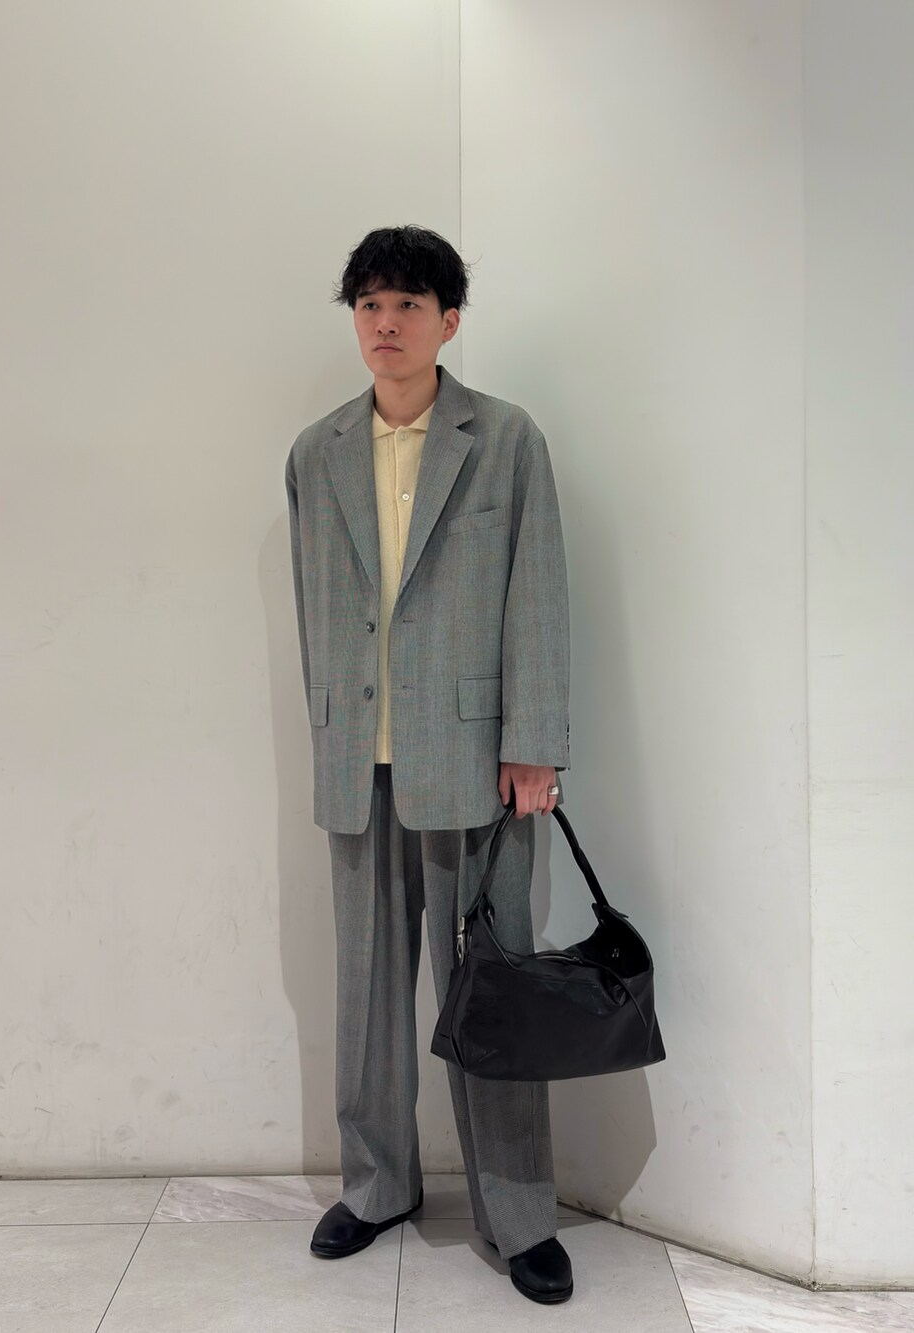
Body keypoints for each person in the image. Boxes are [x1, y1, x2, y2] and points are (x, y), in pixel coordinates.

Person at [285, 225, 572, 1305]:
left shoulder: (504, 438)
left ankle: (519, 1213)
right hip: (357, 766)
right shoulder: (316, 451)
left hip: (477, 768)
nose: (385, 323)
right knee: (364, 1002)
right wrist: (328, 731)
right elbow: (318, 610)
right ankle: (376, 1187)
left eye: (408, 304)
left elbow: (537, 590)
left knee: (489, 992)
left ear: (449, 321)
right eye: (368, 304)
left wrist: (533, 742)